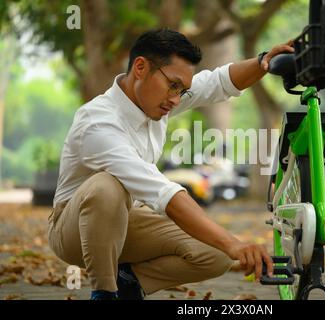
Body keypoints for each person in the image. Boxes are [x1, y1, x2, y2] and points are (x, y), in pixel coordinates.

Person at [48, 28, 294, 300]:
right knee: (107, 187)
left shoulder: (155, 100)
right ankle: (104, 292)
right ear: (140, 67)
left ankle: (130, 283)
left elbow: (219, 82)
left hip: (129, 218)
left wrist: (264, 62)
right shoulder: (98, 122)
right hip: (74, 230)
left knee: (216, 253)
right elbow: (164, 193)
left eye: (182, 91)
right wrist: (236, 244)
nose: (176, 99)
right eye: (173, 86)